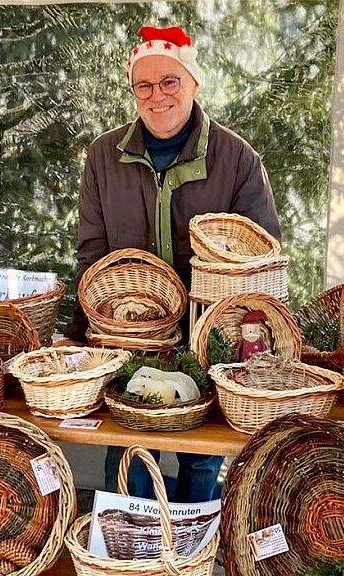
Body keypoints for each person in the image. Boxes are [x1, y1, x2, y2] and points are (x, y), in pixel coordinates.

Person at [66, 24, 282, 501]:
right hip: (130, 331)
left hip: (207, 334)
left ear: (194, 84)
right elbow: (92, 251)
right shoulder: (104, 156)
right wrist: (84, 329)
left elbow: (262, 258)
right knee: (127, 449)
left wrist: (245, 338)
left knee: (201, 455)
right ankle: (128, 538)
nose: (157, 95)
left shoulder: (236, 158)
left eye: (170, 81)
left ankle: (191, 538)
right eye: (143, 85)